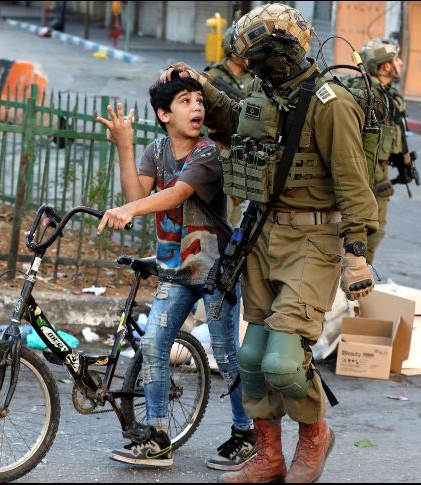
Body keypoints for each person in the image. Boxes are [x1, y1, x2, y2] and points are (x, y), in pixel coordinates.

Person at [161, 3, 378, 482]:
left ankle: (316, 435)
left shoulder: (332, 104)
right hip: (262, 234)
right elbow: (237, 121)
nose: (254, 67)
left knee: (282, 362)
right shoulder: (264, 91)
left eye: (260, 58)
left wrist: (357, 255)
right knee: (252, 359)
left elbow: (353, 184)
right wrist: (200, 85)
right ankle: (269, 455)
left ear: (283, 52)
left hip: (312, 240)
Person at [95, 75, 256, 471]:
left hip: (215, 271)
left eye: (199, 100)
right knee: (152, 346)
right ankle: (158, 437)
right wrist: (126, 147)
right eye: (185, 101)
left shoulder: (208, 154)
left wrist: (132, 210)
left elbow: (175, 194)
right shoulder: (157, 150)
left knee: (226, 354)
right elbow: (138, 196)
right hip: (175, 271)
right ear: (164, 114)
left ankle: (245, 432)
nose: (197, 107)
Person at [345, 38, 408, 264]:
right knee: (367, 235)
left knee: (372, 235)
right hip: (365, 181)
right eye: (396, 58)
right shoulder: (369, 95)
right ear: (385, 66)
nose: (401, 62)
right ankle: (348, 289)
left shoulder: (387, 94)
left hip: (378, 178)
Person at [203, 26, 255, 227]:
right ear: (233, 53)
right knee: (222, 205)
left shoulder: (254, 79)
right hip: (220, 148)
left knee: (238, 202)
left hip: (243, 150)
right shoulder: (213, 76)